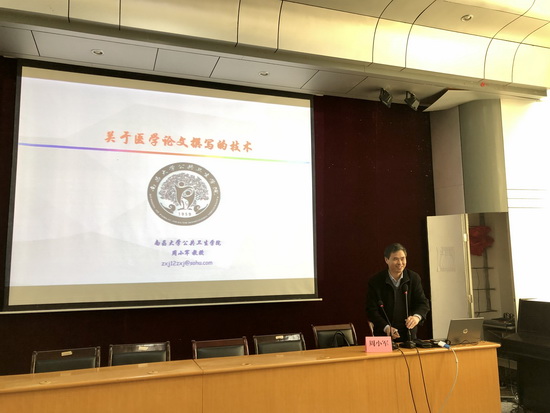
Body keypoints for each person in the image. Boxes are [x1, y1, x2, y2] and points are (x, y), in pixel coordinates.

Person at [366, 243, 430, 343]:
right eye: (395, 259)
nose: (400, 263)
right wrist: (387, 328)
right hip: (384, 336)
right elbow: (371, 310)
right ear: (386, 260)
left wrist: (416, 317)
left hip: (409, 336)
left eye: (403, 258)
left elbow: (423, 303)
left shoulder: (414, 278)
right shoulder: (375, 281)